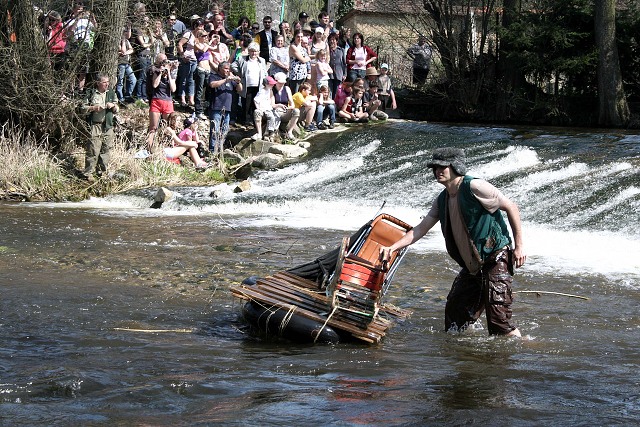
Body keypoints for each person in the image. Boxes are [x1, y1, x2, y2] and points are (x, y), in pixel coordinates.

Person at [380, 148, 526, 337]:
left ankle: (520, 349)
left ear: (455, 167)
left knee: (498, 322)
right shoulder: (442, 199)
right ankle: (464, 356)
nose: (438, 171)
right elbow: (420, 228)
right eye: (435, 168)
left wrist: (519, 246)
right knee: (454, 319)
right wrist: (393, 247)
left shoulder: (475, 186)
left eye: (443, 167)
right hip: (473, 265)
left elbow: (511, 207)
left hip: (495, 256)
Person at [80, 75, 118, 181]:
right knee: (93, 149)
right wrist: (93, 108)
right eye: (104, 82)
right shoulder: (91, 93)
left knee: (106, 149)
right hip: (95, 125)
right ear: (98, 83)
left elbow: (117, 108)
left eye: (108, 82)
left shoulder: (111, 93)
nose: (107, 84)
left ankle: (101, 172)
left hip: (108, 125)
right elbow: (82, 107)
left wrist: (113, 106)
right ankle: (88, 173)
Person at [208, 61, 242, 153]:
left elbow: (240, 90)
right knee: (215, 130)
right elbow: (212, 85)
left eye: (228, 69)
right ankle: (212, 151)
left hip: (227, 109)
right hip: (216, 108)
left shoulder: (231, 80)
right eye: (226, 68)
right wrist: (226, 80)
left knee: (225, 131)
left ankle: (220, 149)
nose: (228, 70)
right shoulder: (214, 76)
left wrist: (238, 82)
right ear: (220, 68)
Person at [232, 42, 267, 126]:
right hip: (247, 85)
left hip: (258, 85)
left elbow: (265, 72)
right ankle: (246, 121)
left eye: (256, 51)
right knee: (246, 104)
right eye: (252, 51)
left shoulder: (262, 60)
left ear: (258, 52)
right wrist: (239, 74)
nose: (254, 53)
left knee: (255, 103)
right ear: (249, 51)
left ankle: (255, 121)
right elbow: (233, 66)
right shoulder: (242, 58)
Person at [146, 54, 177, 149]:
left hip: (167, 102)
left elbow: (173, 89)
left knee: (168, 127)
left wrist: (168, 72)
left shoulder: (171, 73)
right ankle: (148, 148)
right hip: (157, 100)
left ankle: (165, 148)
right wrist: (160, 73)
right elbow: (155, 85)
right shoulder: (155, 71)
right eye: (163, 62)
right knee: (153, 128)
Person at [176, 19, 203, 108]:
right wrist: (183, 56)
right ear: (195, 26)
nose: (201, 28)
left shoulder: (198, 36)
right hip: (186, 59)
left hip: (194, 60)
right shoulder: (189, 34)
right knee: (184, 79)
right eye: (199, 26)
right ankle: (182, 98)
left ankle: (191, 99)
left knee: (191, 80)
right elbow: (179, 44)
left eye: (202, 26)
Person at [271, 72, 300, 140]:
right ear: (276, 81)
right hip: (276, 111)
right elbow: (272, 105)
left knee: (296, 111)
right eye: (280, 83)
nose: (282, 84)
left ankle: (290, 132)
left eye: (283, 83)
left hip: (285, 111)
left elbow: (292, 103)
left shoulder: (287, 88)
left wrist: (290, 107)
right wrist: (278, 105)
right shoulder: (272, 89)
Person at [251, 76, 279, 141]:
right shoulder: (262, 91)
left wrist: (278, 106)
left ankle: (269, 132)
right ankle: (260, 134)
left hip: (268, 109)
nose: (273, 85)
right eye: (271, 84)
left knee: (272, 117)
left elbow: (272, 103)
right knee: (263, 114)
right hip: (263, 109)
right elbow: (255, 100)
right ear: (266, 84)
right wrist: (258, 108)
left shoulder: (270, 90)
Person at [116, 26, 137, 104]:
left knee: (133, 79)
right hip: (120, 63)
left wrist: (126, 52)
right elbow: (123, 50)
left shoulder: (127, 41)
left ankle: (128, 95)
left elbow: (131, 50)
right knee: (120, 81)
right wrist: (123, 42)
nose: (127, 33)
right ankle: (120, 98)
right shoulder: (119, 41)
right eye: (125, 32)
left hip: (127, 64)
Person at [327, 33, 346, 99]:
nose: (332, 41)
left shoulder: (341, 50)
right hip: (329, 74)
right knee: (329, 91)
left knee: (337, 92)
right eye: (330, 40)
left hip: (338, 74)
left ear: (336, 41)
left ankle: (335, 107)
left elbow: (344, 63)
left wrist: (344, 74)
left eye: (333, 39)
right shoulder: (327, 50)